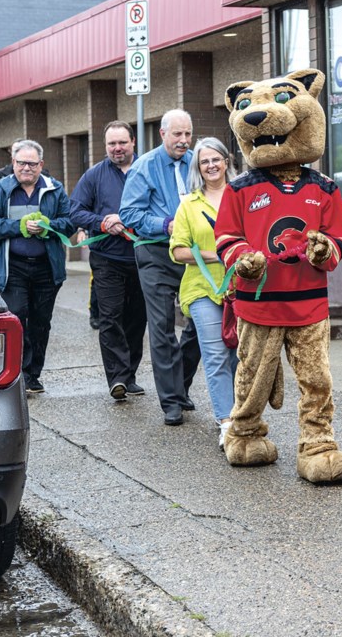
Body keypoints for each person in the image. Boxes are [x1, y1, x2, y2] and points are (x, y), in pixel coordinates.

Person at [118, 109, 202, 426]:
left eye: (187, 134)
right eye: (177, 134)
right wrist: (165, 224)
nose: (183, 141)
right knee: (162, 326)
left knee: (201, 321)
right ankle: (171, 402)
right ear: (163, 134)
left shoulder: (198, 162)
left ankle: (180, 386)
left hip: (194, 255)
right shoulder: (144, 167)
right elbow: (129, 214)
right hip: (156, 254)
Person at [0, 139, 74, 394]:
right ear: (13, 163)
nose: (27, 168)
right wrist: (18, 226)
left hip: (47, 267)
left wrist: (48, 225)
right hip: (14, 268)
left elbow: (69, 223)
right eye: (22, 163)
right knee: (18, 316)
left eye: (32, 163)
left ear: (41, 165)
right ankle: (16, 372)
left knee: (41, 321)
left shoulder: (55, 189)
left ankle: (33, 375)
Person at [70, 120, 149, 402]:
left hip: (143, 258)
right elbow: (75, 211)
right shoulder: (94, 176)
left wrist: (128, 221)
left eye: (122, 143)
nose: (117, 148)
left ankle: (130, 375)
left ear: (133, 143)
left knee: (137, 318)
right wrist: (101, 223)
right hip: (107, 259)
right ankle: (117, 378)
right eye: (111, 144)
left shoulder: (146, 169)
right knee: (111, 317)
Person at [169, 137, 239, 448]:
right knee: (215, 355)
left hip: (242, 288)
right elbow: (178, 250)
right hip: (202, 288)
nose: (211, 165)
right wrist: (217, 254)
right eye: (204, 161)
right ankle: (226, 420)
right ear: (198, 167)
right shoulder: (189, 204)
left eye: (216, 159)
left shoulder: (242, 196)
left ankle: (244, 416)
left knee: (243, 357)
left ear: (227, 162)